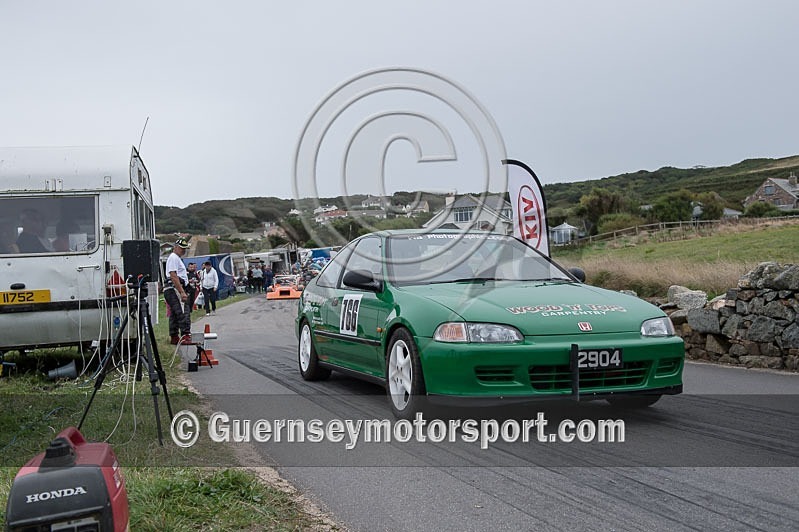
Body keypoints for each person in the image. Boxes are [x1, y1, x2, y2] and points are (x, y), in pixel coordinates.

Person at [164, 237, 192, 344]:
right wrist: (181, 291)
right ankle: (185, 335)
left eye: (185, 249)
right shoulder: (173, 257)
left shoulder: (176, 258)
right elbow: (173, 275)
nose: (183, 251)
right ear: (175, 248)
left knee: (175, 314)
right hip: (174, 288)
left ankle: (174, 336)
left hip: (173, 288)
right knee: (183, 311)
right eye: (181, 248)